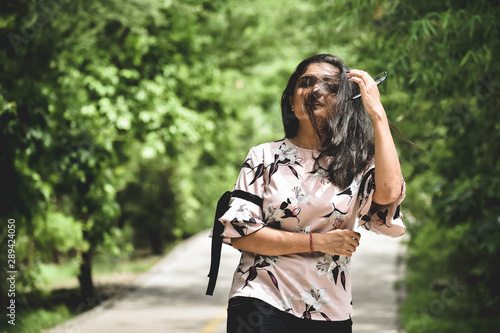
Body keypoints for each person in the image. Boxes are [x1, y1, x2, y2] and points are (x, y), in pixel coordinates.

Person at [216, 54, 406, 333]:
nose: (316, 89)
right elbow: (242, 234)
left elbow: (388, 194)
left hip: (329, 309)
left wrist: (377, 113)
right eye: (306, 82)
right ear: (292, 100)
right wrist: (318, 242)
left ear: (344, 101)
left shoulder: (357, 163)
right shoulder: (264, 156)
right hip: (260, 298)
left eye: (329, 85)